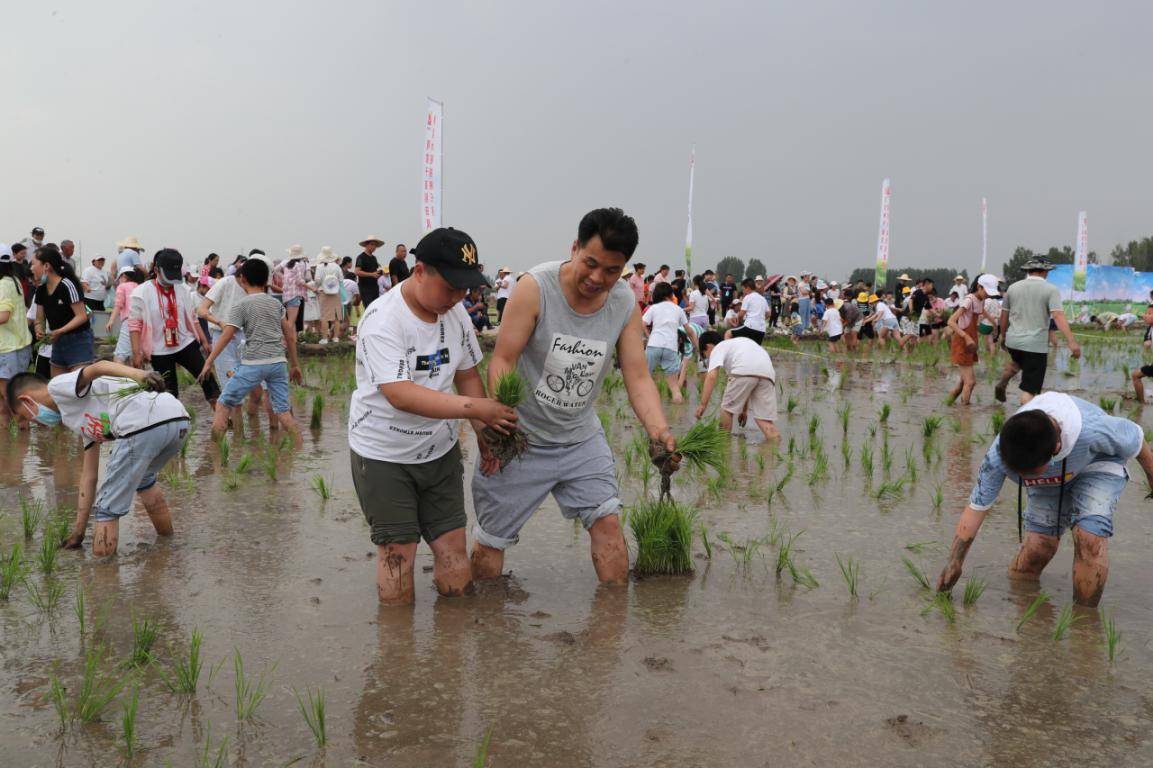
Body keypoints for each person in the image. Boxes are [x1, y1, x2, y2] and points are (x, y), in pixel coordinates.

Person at [470, 208, 680, 586]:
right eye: (591, 263)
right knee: (491, 541)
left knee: (609, 524)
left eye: (612, 270)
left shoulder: (623, 304)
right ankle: (488, 630)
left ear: (625, 269)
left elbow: (636, 375)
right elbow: (502, 359)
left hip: (580, 439)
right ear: (575, 248)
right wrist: (500, 427)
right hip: (522, 438)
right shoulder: (536, 288)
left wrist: (659, 431)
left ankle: (611, 630)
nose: (598, 278)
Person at [348, 226, 512, 605]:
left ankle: (450, 652)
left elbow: (468, 375)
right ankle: (398, 655)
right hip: (384, 454)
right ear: (419, 271)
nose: (457, 297)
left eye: (464, 289)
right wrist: (476, 409)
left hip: (438, 449)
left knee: (452, 545)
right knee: (398, 553)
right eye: (450, 287)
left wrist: (484, 434)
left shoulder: (456, 317)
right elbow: (400, 395)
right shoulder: (383, 319)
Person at [935, 392, 1153, 607]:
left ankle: (1084, 626)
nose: (1020, 479)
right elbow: (977, 507)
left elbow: (1138, 443)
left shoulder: (1093, 429)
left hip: (1098, 463)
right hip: (1049, 475)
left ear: (1056, 449)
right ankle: (1028, 622)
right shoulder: (1001, 453)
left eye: (1027, 473)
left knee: (1089, 537)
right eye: (1017, 474)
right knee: (1039, 548)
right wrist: (955, 562)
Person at [6, 363, 187, 557]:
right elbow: (89, 476)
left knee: (107, 508)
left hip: (142, 424)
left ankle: (103, 577)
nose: (34, 423)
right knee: (145, 481)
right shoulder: (76, 418)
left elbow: (97, 367)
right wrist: (79, 532)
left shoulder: (57, 386)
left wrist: (141, 374)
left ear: (26, 400)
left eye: (27, 418)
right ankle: (168, 546)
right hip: (178, 421)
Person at [199, 258, 302, 441]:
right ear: (266, 282)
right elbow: (290, 336)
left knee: (224, 404)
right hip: (278, 363)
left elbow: (227, 335)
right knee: (283, 413)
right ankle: (299, 451)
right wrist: (295, 365)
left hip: (253, 364)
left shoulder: (242, 306)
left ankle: (216, 454)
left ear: (243, 279)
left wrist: (208, 362)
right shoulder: (276, 304)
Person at [128, 248, 220, 404]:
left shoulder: (183, 289)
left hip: (185, 343)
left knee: (209, 381)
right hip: (159, 350)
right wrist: (137, 352)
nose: (172, 281)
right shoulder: (141, 293)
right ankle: (177, 425)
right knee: (168, 394)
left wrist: (204, 341)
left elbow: (193, 318)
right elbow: (134, 325)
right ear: (156, 270)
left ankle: (223, 422)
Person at [994, 257, 1080, 404]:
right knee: (1030, 391)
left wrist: (1003, 336)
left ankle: (1003, 382)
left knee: (1017, 362)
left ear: (1029, 271)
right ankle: (1024, 415)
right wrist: (1072, 342)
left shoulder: (1012, 288)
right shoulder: (1050, 289)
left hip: (1013, 341)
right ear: (1044, 271)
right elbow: (1057, 315)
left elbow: (1004, 315)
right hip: (1035, 346)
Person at [695, 330, 780, 440]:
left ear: (708, 346)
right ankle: (776, 447)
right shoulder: (736, 346)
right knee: (763, 420)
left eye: (705, 355)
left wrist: (703, 404)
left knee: (727, 410)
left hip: (744, 369)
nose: (709, 359)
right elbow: (746, 384)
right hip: (768, 372)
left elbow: (711, 376)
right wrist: (744, 410)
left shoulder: (719, 347)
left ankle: (722, 444)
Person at [33, 245, 94, 377]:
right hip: (58, 342)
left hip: (78, 340)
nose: (31, 268)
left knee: (78, 385)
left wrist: (61, 330)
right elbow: (39, 319)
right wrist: (39, 330)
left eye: (33, 264)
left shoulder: (67, 285)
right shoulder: (41, 290)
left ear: (46, 266)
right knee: (58, 387)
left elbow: (82, 316)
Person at [643, 282, 698, 404]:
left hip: (654, 345)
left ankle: (646, 410)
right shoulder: (678, 309)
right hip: (671, 347)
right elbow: (689, 331)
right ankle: (677, 415)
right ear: (670, 294)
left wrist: (648, 336)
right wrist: (696, 346)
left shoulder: (654, 308)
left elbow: (642, 324)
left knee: (645, 379)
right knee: (674, 387)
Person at [946, 275, 995, 405]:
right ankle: (965, 415)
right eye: (987, 292)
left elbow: (982, 311)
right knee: (970, 382)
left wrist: (994, 324)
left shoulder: (981, 300)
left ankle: (947, 405)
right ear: (979, 287)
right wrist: (966, 337)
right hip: (962, 343)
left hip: (971, 344)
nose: (988, 295)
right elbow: (951, 321)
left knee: (963, 383)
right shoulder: (968, 300)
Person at [0, 244, 33, 426]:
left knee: (11, 400)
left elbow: (3, 316)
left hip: (7, 348)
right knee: (8, 401)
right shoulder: (14, 280)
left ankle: (19, 444)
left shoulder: (3, 285)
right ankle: (9, 448)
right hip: (17, 346)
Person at [108, 265, 140, 363]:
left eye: (120, 278)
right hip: (142, 322)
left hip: (129, 322)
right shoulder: (139, 286)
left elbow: (118, 305)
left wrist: (111, 320)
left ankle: (118, 378)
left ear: (123, 276)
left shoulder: (122, 287)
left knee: (119, 355)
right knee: (135, 353)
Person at [313, 246, 344, 343]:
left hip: (324, 292)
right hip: (335, 292)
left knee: (324, 316)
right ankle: (335, 337)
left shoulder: (319, 267)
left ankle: (324, 338)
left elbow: (317, 280)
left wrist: (316, 287)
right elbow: (341, 279)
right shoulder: (337, 266)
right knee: (336, 316)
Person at [729, 278, 769, 344]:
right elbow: (768, 314)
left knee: (728, 334)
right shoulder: (763, 299)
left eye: (743, 289)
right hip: (762, 329)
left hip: (750, 326)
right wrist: (760, 319)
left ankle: (729, 353)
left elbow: (741, 315)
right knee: (754, 348)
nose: (743, 291)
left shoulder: (748, 297)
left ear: (747, 288)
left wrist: (740, 322)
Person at [355, 236, 385, 307]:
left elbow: (375, 272)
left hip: (375, 287)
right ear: (366, 245)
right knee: (369, 309)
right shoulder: (361, 257)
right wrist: (371, 274)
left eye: (375, 245)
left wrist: (379, 273)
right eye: (372, 244)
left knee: (376, 309)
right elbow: (357, 272)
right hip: (365, 289)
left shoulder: (374, 258)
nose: (374, 247)